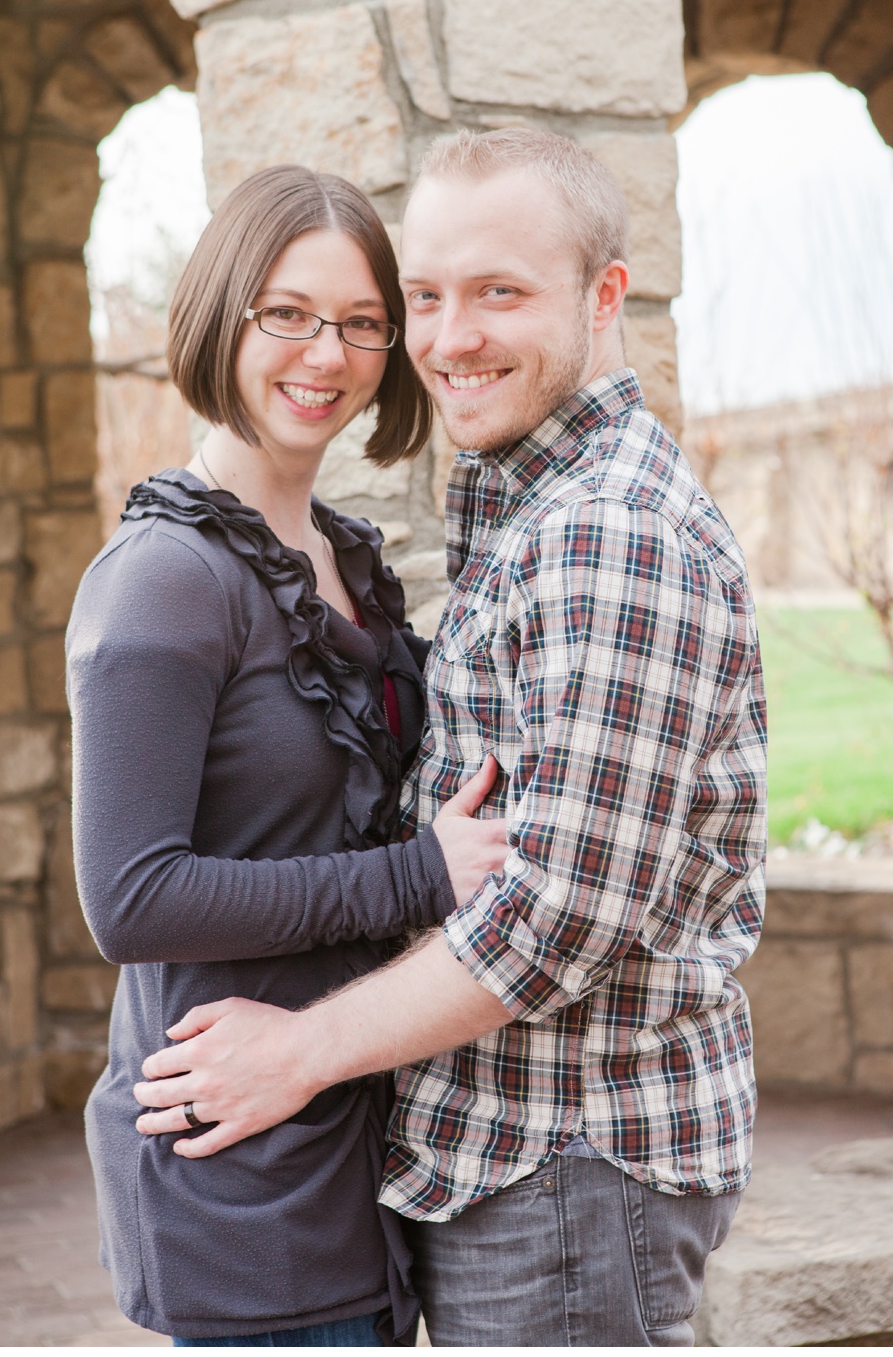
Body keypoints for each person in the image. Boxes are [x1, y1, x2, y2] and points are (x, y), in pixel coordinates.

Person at [125, 127, 768, 1347]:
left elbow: (555, 916)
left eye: (500, 293)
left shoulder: (609, 536)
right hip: (507, 1158)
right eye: (425, 297)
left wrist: (300, 1051)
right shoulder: (524, 507)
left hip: (568, 1163)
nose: (448, 336)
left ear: (604, 295)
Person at [68, 164, 512, 1346]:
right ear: (223, 311)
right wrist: (421, 874)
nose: (327, 355)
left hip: (357, 1138)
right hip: (235, 1171)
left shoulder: (347, 558)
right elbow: (130, 898)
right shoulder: (164, 581)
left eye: (363, 324)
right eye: (288, 313)